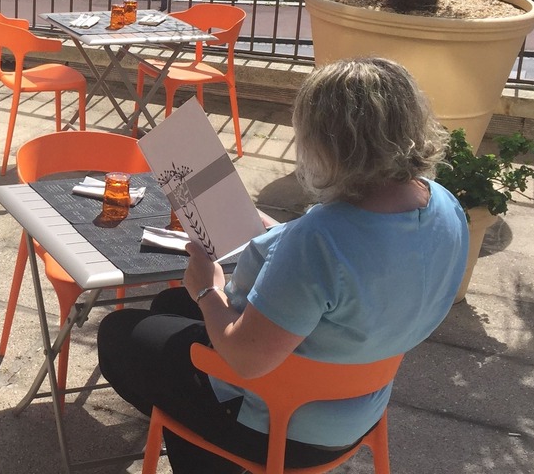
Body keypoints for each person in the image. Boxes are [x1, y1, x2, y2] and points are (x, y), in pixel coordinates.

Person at [97, 57, 469, 473]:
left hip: (285, 428)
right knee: (168, 309)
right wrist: (281, 233)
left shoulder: (320, 241)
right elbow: (364, 257)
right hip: (362, 401)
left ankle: (212, 452)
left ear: (328, 142)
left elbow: (245, 359)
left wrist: (207, 288)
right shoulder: (443, 205)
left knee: (117, 334)